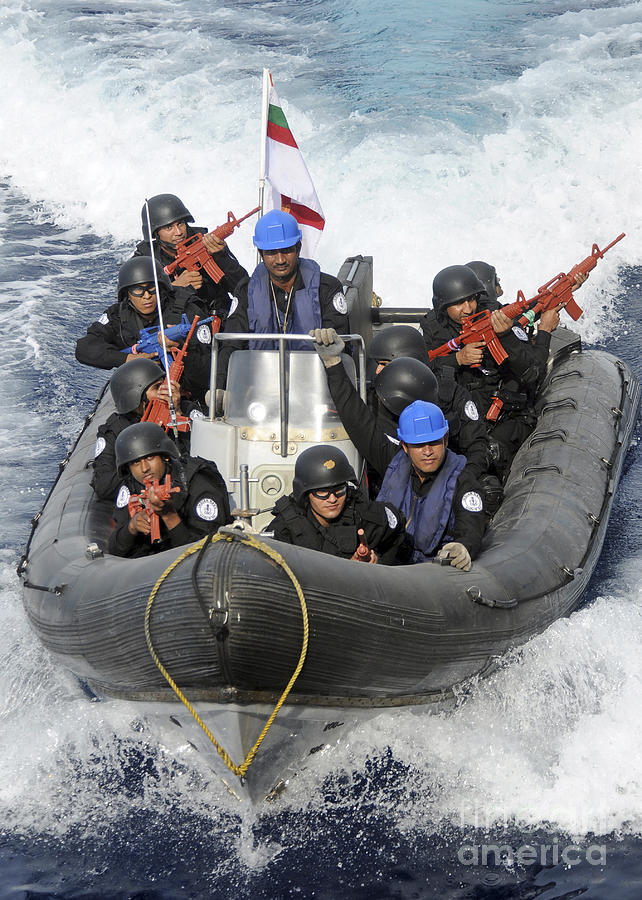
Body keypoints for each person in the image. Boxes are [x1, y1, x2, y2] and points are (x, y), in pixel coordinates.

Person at [420, 264, 561, 477]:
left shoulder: (496, 315)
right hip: (461, 417)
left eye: (471, 299)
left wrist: (505, 336)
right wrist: (457, 359)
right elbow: (420, 370)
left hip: (504, 416)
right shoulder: (432, 329)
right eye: (458, 303)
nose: (468, 309)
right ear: (442, 306)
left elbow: (533, 371)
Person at [215, 209, 350, 387]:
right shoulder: (246, 291)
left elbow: (342, 344)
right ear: (260, 253)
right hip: (260, 387)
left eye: (286, 251)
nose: (280, 260)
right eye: (271, 253)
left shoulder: (327, 288)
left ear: (298, 248)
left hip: (316, 385)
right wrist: (219, 389)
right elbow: (231, 345)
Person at [75, 256, 212, 402]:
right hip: (141, 395)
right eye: (137, 290)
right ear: (127, 293)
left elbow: (212, 363)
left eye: (152, 288)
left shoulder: (187, 309)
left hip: (189, 391)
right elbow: (84, 348)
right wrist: (128, 359)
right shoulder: (117, 315)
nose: (146, 296)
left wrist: (181, 349)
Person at [377, 401, 487, 568]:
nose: (428, 451)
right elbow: (359, 420)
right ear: (405, 447)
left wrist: (463, 546)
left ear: (446, 439)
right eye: (419, 445)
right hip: (392, 567)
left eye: (434, 442)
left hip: (432, 574)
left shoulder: (463, 481)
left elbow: (470, 526)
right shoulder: (395, 468)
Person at [108, 422, 231, 558]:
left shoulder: (197, 482)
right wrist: (132, 527)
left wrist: (169, 516)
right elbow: (114, 550)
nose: (144, 468)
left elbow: (207, 554)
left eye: (150, 457)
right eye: (136, 463)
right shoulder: (132, 486)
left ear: (164, 456)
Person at [267, 445, 405, 563]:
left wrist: (377, 562)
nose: (332, 499)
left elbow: (397, 528)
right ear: (305, 493)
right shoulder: (284, 530)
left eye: (339, 490)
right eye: (322, 492)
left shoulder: (362, 514)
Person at [92, 358, 204, 501]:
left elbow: (204, 456)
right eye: (158, 387)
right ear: (136, 396)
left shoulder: (187, 410)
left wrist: (177, 416)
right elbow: (103, 484)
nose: (166, 390)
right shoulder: (116, 429)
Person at [135, 193, 249, 318]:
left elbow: (244, 290)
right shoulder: (144, 261)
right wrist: (174, 288)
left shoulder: (205, 242)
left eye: (181, 224)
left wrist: (221, 258)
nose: (178, 232)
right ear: (155, 233)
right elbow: (137, 310)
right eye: (169, 227)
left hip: (221, 319)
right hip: (177, 325)